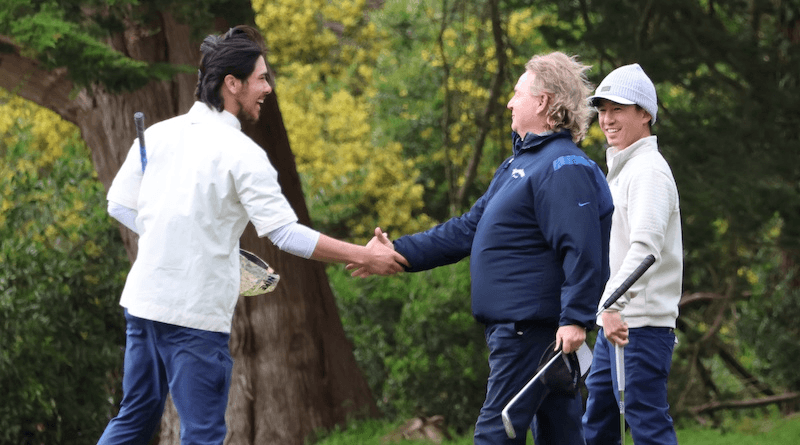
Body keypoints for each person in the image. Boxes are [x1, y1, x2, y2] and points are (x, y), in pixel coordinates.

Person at [97, 25, 407, 445]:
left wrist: (177, 238)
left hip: (143, 303)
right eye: (261, 78)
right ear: (232, 83)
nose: (268, 88)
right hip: (192, 315)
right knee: (202, 435)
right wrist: (364, 255)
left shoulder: (157, 134)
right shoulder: (243, 153)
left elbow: (120, 205)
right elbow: (285, 234)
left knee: (133, 421)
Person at [352, 52, 613, 445]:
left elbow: (582, 246)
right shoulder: (517, 167)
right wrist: (398, 253)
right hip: (524, 331)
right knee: (561, 436)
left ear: (543, 101)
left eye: (517, 93)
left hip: (531, 333)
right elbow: (467, 229)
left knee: (495, 434)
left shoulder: (563, 166)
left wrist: (575, 318)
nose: (509, 103)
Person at [581, 63, 682, 445]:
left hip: (640, 328)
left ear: (645, 114)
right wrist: (608, 310)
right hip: (619, 324)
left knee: (648, 429)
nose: (607, 119)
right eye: (603, 110)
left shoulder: (648, 172)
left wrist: (609, 305)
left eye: (618, 109)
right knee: (598, 427)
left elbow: (645, 252)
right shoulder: (625, 169)